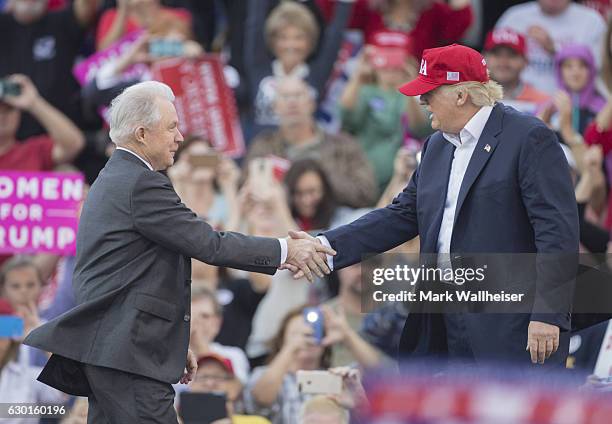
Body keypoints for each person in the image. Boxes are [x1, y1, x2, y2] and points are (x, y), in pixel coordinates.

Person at [22, 81, 335, 422]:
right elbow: (208, 243)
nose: (180, 137)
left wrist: (169, 340)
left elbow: (128, 276)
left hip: (119, 352)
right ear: (142, 134)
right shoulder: (139, 182)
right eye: (171, 127)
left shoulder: (115, 179)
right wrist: (285, 249)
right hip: (128, 358)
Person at [286, 44, 580, 368]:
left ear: (461, 94)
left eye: (429, 92)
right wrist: (325, 244)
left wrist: (549, 314)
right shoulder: (437, 145)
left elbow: (557, 232)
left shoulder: (529, 137)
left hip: (511, 323)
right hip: (445, 318)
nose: (421, 100)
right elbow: (401, 215)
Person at [246, 77, 377, 209]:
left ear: (311, 104)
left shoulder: (344, 145)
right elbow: (245, 190)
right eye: (285, 97)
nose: (292, 103)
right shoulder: (263, 146)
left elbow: (367, 194)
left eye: (298, 96)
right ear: (275, 107)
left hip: (335, 221)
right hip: (277, 219)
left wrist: (321, 178)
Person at [243, 0, 354, 132]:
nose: (291, 45)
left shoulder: (317, 73)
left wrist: (345, 4)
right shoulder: (259, 66)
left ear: (310, 41)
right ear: (272, 41)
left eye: (298, 37)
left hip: (301, 150)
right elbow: (254, 23)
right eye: (283, 37)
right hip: (260, 148)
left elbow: (336, 34)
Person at [0, 0, 97, 139]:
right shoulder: (3, 26)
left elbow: (87, 7)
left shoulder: (61, 21)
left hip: (67, 139)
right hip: (14, 146)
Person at [340, 43, 429, 191]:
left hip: (401, 175)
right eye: (385, 60)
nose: (390, 69)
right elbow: (346, 117)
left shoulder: (413, 96)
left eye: (396, 60)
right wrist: (358, 76)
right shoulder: (365, 91)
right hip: (363, 172)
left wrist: (412, 84)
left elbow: (419, 128)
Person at [496, 0, 606, 95]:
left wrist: (554, 49)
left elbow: (597, 68)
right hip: (518, 102)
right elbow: (492, 61)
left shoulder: (592, 20)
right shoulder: (514, 16)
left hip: (570, 104)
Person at [0, 74, 85, 170]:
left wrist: (33, 103)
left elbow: (73, 144)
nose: (2, 115)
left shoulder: (33, 152)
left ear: (18, 114)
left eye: (9, 109)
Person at [483, 28, 551, 115]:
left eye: (511, 55)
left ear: (526, 61)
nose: (503, 62)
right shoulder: (469, 98)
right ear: (483, 58)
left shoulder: (543, 103)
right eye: (497, 55)